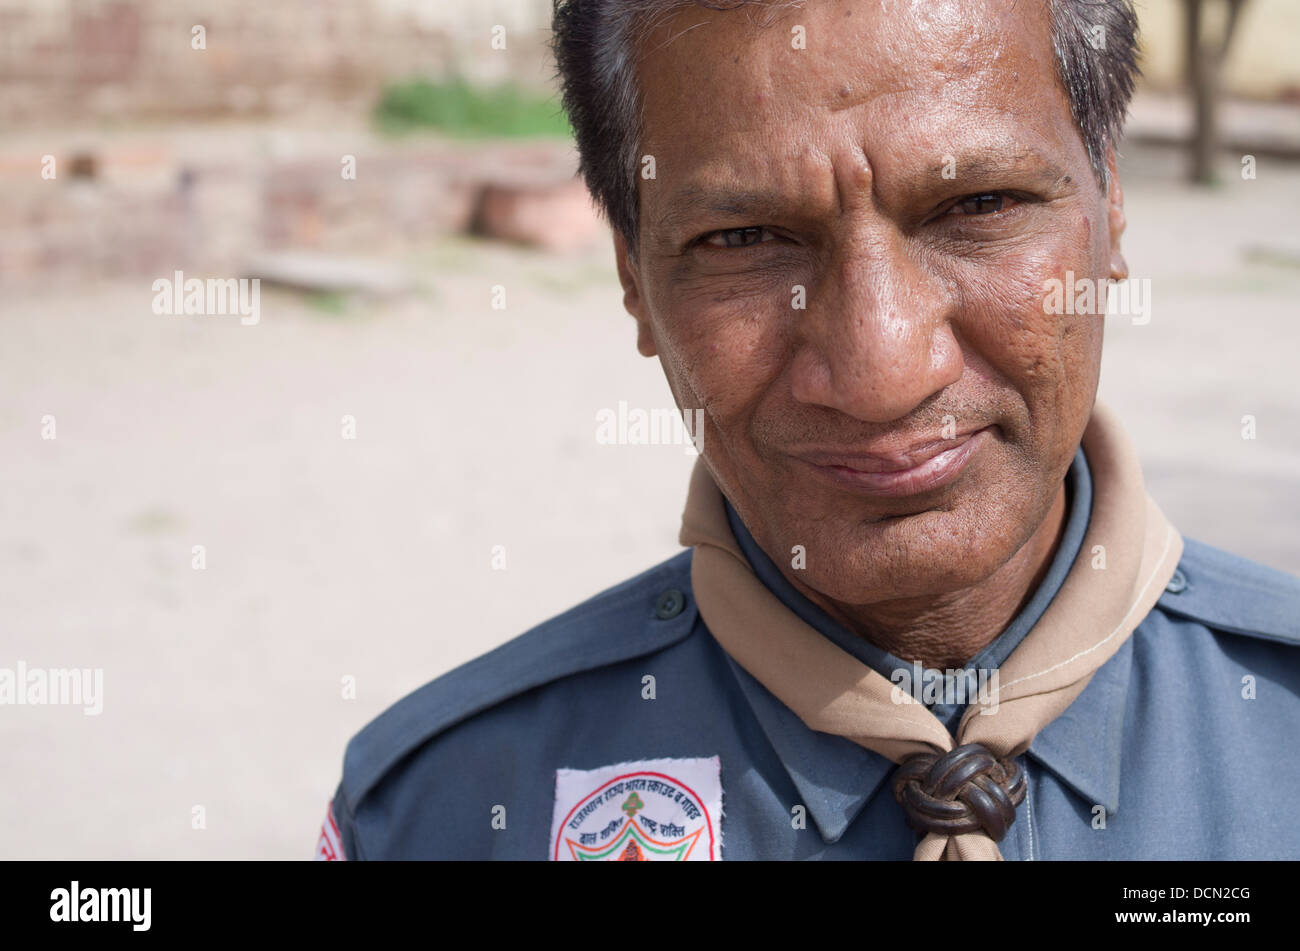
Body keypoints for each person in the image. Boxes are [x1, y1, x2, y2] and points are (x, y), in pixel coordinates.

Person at [318, 0, 1300, 860]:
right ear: (633, 277)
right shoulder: (448, 815)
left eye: (978, 205)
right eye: (743, 240)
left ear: (1109, 209)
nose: (879, 374)